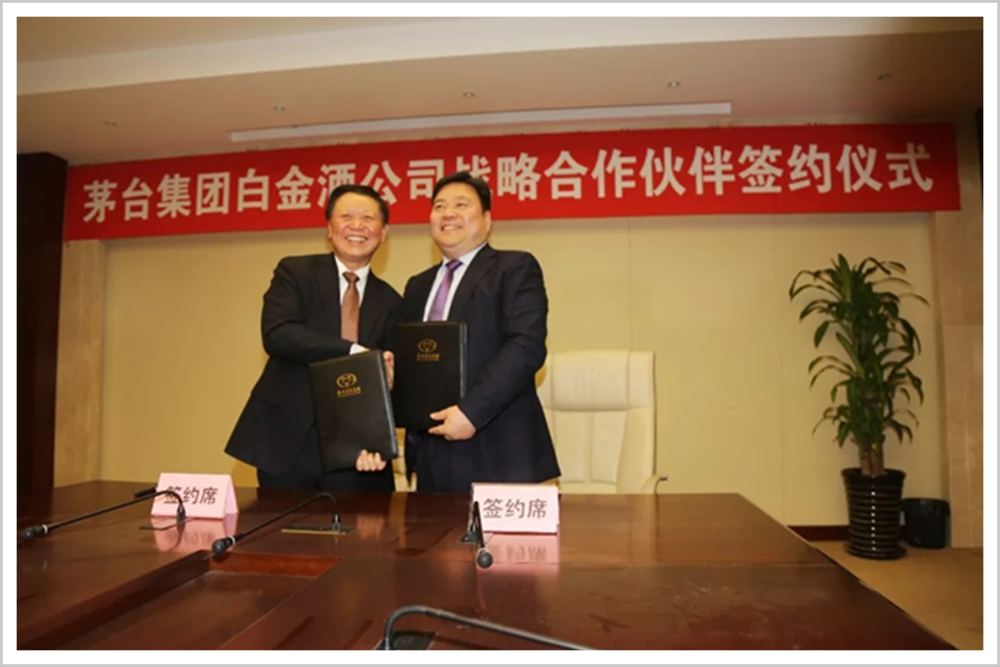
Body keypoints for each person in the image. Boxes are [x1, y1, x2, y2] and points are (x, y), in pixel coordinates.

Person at [359, 171, 560, 493]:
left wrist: (471, 413)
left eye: (461, 205)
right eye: (439, 206)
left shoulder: (514, 268)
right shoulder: (417, 286)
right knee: (430, 528)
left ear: (487, 220)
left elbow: (526, 346)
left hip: (499, 452)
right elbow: (405, 362)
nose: (448, 213)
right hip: (431, 457)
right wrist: (389, 376)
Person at [225, 184, 401, 492]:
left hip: (354, 453)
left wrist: (377, 441)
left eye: (368, 218)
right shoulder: (296, 272)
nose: (357, 226)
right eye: (346, 217)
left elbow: (388, 379)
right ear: (330, 228)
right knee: (277, 523)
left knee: (362, 524)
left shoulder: (392, 302)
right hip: (288, 441)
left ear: (384, 232)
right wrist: (353, 351)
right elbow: (278, 333)